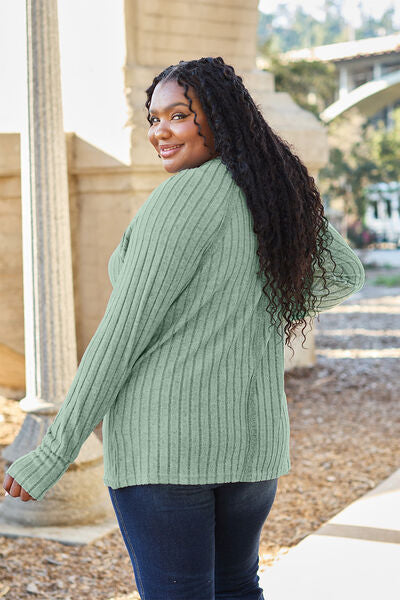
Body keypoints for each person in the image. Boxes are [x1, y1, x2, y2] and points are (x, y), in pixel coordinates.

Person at [3, 57, 365, 599]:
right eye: (154, 119)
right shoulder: (275, 190)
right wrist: (262, 305)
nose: (160, 133)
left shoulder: (181, 199)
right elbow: (343, 274)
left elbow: (121, 336)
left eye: (178, 115)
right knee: (238, 588)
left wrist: (56, 451)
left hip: (165, 451)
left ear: (220, 117)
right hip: (251, 448)